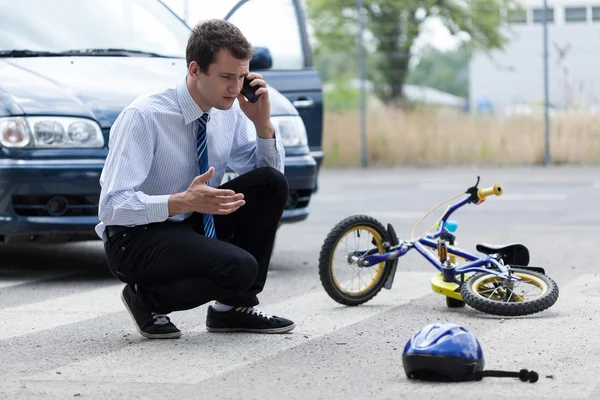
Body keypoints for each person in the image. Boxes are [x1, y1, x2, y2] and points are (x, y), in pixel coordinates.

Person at [96, 19, 295, 339]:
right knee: (240, 268)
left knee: (270, 183)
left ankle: (233, 309)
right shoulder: (145, 116)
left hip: (191, 221)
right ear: (195, 70)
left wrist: (263, 127)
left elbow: (269, 178)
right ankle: (145, 299)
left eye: (242, 77)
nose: (235, 87)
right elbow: (112, 207)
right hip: (134, 237)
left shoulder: (229, 110)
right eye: (227, 77)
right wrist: (180, 202)